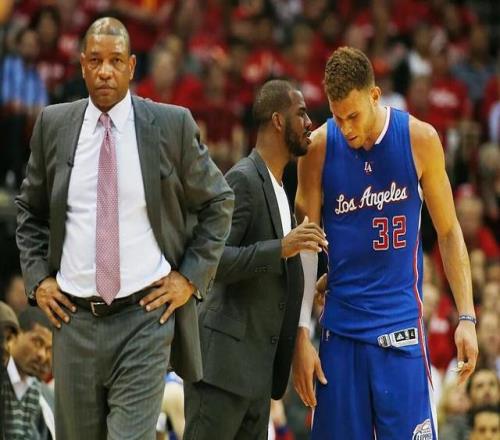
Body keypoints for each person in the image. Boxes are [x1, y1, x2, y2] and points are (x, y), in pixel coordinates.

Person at [15, 17, 233, 440]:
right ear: (82, 64)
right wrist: (38, 280)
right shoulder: (54, 125)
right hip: (73, 321)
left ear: (132, 66)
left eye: (115, 61)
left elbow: (219, 201)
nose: (105, 71)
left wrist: (189, 277)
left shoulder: (170, 125)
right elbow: (29, 210)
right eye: (95, 61)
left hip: (144, 320)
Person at [292, 46, 478, 439]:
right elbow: (304, 245)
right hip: (340, 332)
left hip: (400, 329)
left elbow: (448, 231)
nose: (346, 128)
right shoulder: (318, 147)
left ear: (375, 95)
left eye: (354, 116)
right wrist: (300, 332)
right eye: (338, 116)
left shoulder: (419, 139)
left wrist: (466, 316)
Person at [183, 79, 326, 439]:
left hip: (257, 377)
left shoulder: (278, 188)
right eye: (301, 114)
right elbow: (213, 261)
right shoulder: (244, 178)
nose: (309, 123)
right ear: (278, 121)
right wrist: (281, 248)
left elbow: (276, 277)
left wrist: (313, 288)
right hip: (222, 372)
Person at [0, 301, 54, 439]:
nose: (42, 355)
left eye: (49, 349)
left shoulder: (40, 393)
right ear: (13, 337)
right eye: (37, 342)